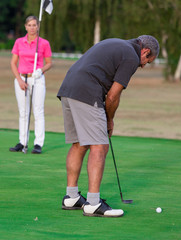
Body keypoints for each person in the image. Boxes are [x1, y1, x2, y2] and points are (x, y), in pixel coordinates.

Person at [57, 35, 159, 217]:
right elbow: (113, 96)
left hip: (68, 88)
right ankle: (93, 203)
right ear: (145, 51)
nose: (143, 65)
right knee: (100, 145)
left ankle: (71, 197)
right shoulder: (131, 57)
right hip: (86, 91)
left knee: (80, 143)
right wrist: (109, 120)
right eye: (147, 61)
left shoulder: (116, 43)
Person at [9, 16, 52, 154]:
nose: (32, 27)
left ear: (38, 26)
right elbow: (13, 63)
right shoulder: (19, 42)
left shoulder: (43, 43)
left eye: (34, 25)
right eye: (29, 25)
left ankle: (38, 144)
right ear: (25, 26)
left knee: (38, 111)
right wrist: (20, 80)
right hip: (22, 79)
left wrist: (41, 70)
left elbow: (49, 63)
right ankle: (22, 142)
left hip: (37, 79)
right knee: (23, 112)